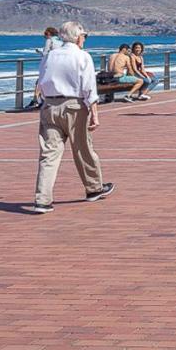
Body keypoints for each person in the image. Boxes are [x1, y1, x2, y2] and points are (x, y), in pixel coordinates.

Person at [31, 21, 113, 214]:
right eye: (84, 36)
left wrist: (44, 100)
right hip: (74, 106)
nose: (84, 39)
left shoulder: (50, 56)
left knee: (49, 154)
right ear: (77, 37)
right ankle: (94, 188)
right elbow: (89, 87)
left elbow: (41, 79)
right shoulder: (82, 56)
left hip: (50, 105)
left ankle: (42, 199)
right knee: (83, 149)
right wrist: (95, 113)